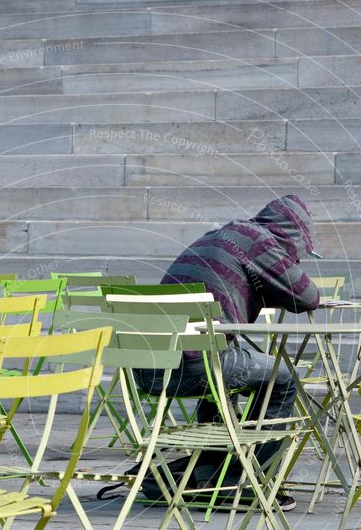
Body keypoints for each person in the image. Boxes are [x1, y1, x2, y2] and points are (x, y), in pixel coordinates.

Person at [132, 194, 321, 511]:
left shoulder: (220, 235)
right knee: (282, 376)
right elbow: (307, 297)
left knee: (223, 376)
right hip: (193, 366)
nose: (298, 259)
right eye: (300, 253)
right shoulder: (260, 243)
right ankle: (249, 481)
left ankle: (210, 475)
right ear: (293, 237)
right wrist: (286, 268)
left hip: (147, 369)